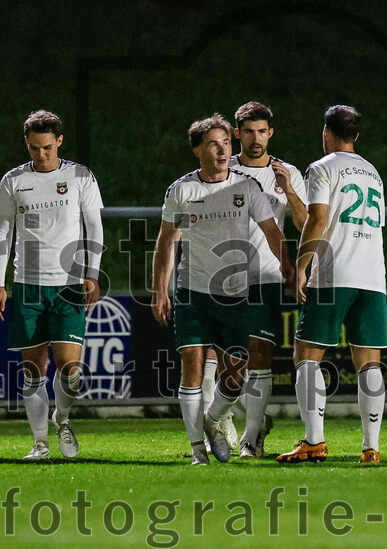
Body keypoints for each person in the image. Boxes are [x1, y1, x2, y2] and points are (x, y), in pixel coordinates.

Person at [152, 113, 288, 465]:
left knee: (236, 373)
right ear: (198, 149)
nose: (223, 149)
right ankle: (198, 448)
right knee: (193, 366)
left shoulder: (246, 187)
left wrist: (289, 266)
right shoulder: (182, 190)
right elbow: (167, 242)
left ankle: (213, 419)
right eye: (213, 143)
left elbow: (273, 232)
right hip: (193, 292)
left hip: (237, 294)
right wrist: (160, 290)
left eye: (226, 142)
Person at [0, 110, 105, 460]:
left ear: (59, 142)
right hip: (28, 285)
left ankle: (63, 417)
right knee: (32, 370)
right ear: (26, 144)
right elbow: (4, 232)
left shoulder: (80, 176)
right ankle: (40, 444)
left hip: (69, 284)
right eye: (33, 148)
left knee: (70, 370)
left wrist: (92, 273)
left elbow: (94, 227)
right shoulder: (13, 181)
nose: (40, 155)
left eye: (46, 148)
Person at [277, 105, 387, 466]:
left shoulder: (322, 168)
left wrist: (302, 265)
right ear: (356, 135)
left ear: (326, 132)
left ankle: (315, 442)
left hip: (335, 273)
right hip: (372, 277)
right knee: (369, 361)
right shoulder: (373, 173)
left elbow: (317, 220)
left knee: (306, 356)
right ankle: (370, 448)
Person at [222, 101, 306, 458]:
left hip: (268, 276)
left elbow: (305, 223)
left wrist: (288, 189)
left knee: (259, 356)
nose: (256, 139)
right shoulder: (222, 170)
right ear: (236, 134)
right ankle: (237, 418)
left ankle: (250, 439)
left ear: (270, 133)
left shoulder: (287, 172)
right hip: (223, 277)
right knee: (228, 367)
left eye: (262, 131)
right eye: (248, 131)